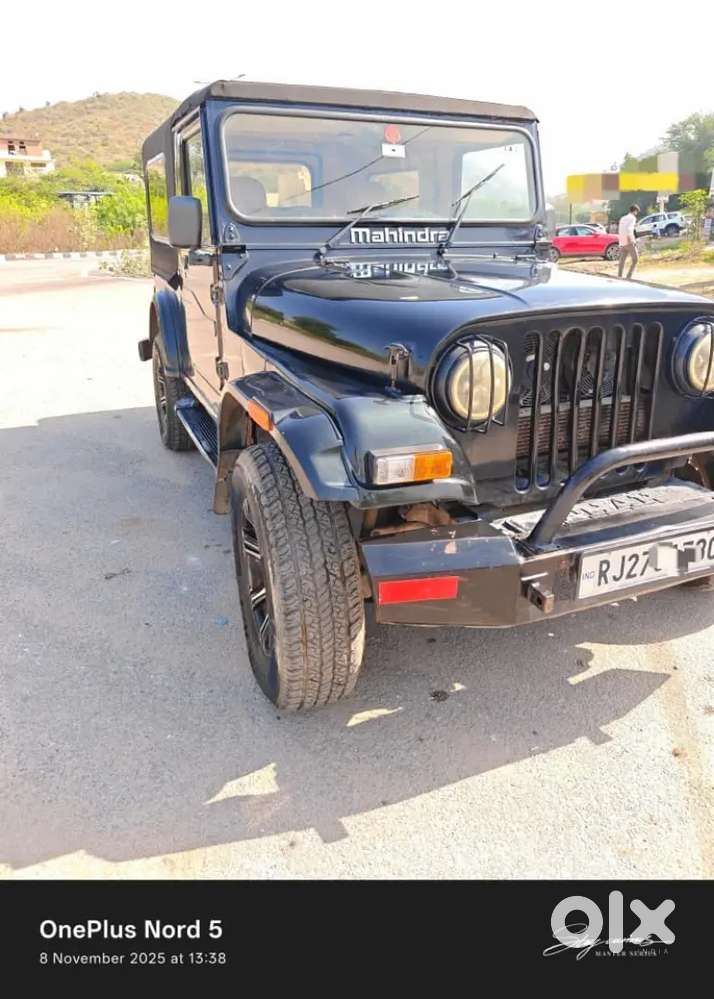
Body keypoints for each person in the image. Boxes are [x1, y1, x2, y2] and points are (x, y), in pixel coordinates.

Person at [617, 204, 641, 279]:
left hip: (622, 241)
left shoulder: (623, 218)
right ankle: (628, 276)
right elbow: (629, 230)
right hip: (629, 241)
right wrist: (632, 240)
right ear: (635, 211)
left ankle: (619, 276)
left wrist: (621, 241)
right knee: (635, 259)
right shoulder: (632, 218)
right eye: (637, 212)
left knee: (622, 260)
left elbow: (620, 230)